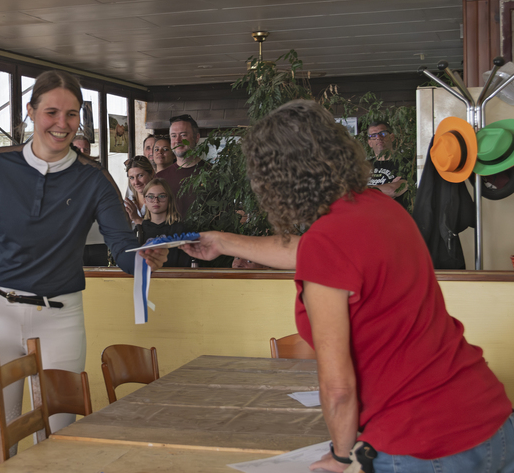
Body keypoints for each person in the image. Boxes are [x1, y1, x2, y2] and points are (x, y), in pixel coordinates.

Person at [182, 100, 513, 473]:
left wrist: (340, 456)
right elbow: (312, 249)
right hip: (492, 419)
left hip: (420, 443)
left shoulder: (328, 243)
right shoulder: (380, 207)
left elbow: (338, 387)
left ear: (277, 180)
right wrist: (222, 242)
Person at [0, 70, 167, 470]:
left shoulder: (94, 179)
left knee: (58, 444)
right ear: (30, 112)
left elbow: (122, 248)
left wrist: (146, 258)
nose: (62, 123)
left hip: (60, 319)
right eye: (51, 112)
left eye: (72, 114)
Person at [156, 114, 209, 217]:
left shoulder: (214, 173)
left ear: (196, 137)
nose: (178, 140)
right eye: (173, 136)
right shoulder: (160, 178)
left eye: (183, 135)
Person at [136, 178, 191, 267]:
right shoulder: (138, 231)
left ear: (169, 199)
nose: (156, 200)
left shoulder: (180, 230)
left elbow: (186, 265)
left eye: (161, 196)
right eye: (151, 196)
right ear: (145, 200)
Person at [367, 121, 410, 209]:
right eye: (373, 135)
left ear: (392, 137)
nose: (378, 137)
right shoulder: (363, 166)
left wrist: (362, 191)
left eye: (383, 133)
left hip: (394, 215)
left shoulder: (405, 163)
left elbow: (393, 190)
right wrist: (385, 189)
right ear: (370, 143)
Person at [123, 156, 154, 228]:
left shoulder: (160, 200)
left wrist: (136, 218)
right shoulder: (127, 203)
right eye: (132, 178)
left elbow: (158, 230)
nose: (136, 182)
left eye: (140, 175)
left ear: (152, 173)